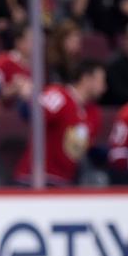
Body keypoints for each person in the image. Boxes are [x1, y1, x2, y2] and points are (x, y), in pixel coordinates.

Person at [15, 58, 105, 186]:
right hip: (37, 179)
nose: (104, 87)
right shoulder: (59, 96)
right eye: (101, 80)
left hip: (65, 183)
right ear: (86, 79)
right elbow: (31, 115)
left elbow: (84, 149)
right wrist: (26, 99)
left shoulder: (94, 113)